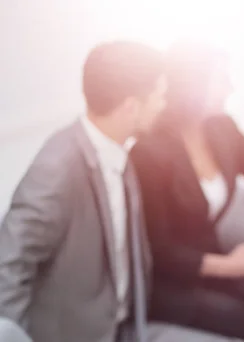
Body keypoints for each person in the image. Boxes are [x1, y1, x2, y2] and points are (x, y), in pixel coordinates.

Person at [0, 41, 217, 342]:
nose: (163, 105)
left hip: (127, 329)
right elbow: (8, 264)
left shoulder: (118, 154)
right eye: (159, 96)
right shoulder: (58, 166)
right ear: (131, 106)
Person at [130, 42, 244, 342]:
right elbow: (159, 250)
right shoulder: (149, 152)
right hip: (172, 282)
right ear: (193, 86)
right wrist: (229, 267)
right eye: (222, 80)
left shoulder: (221, 128)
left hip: (215, 260)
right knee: (242, 319)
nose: (231, 88)